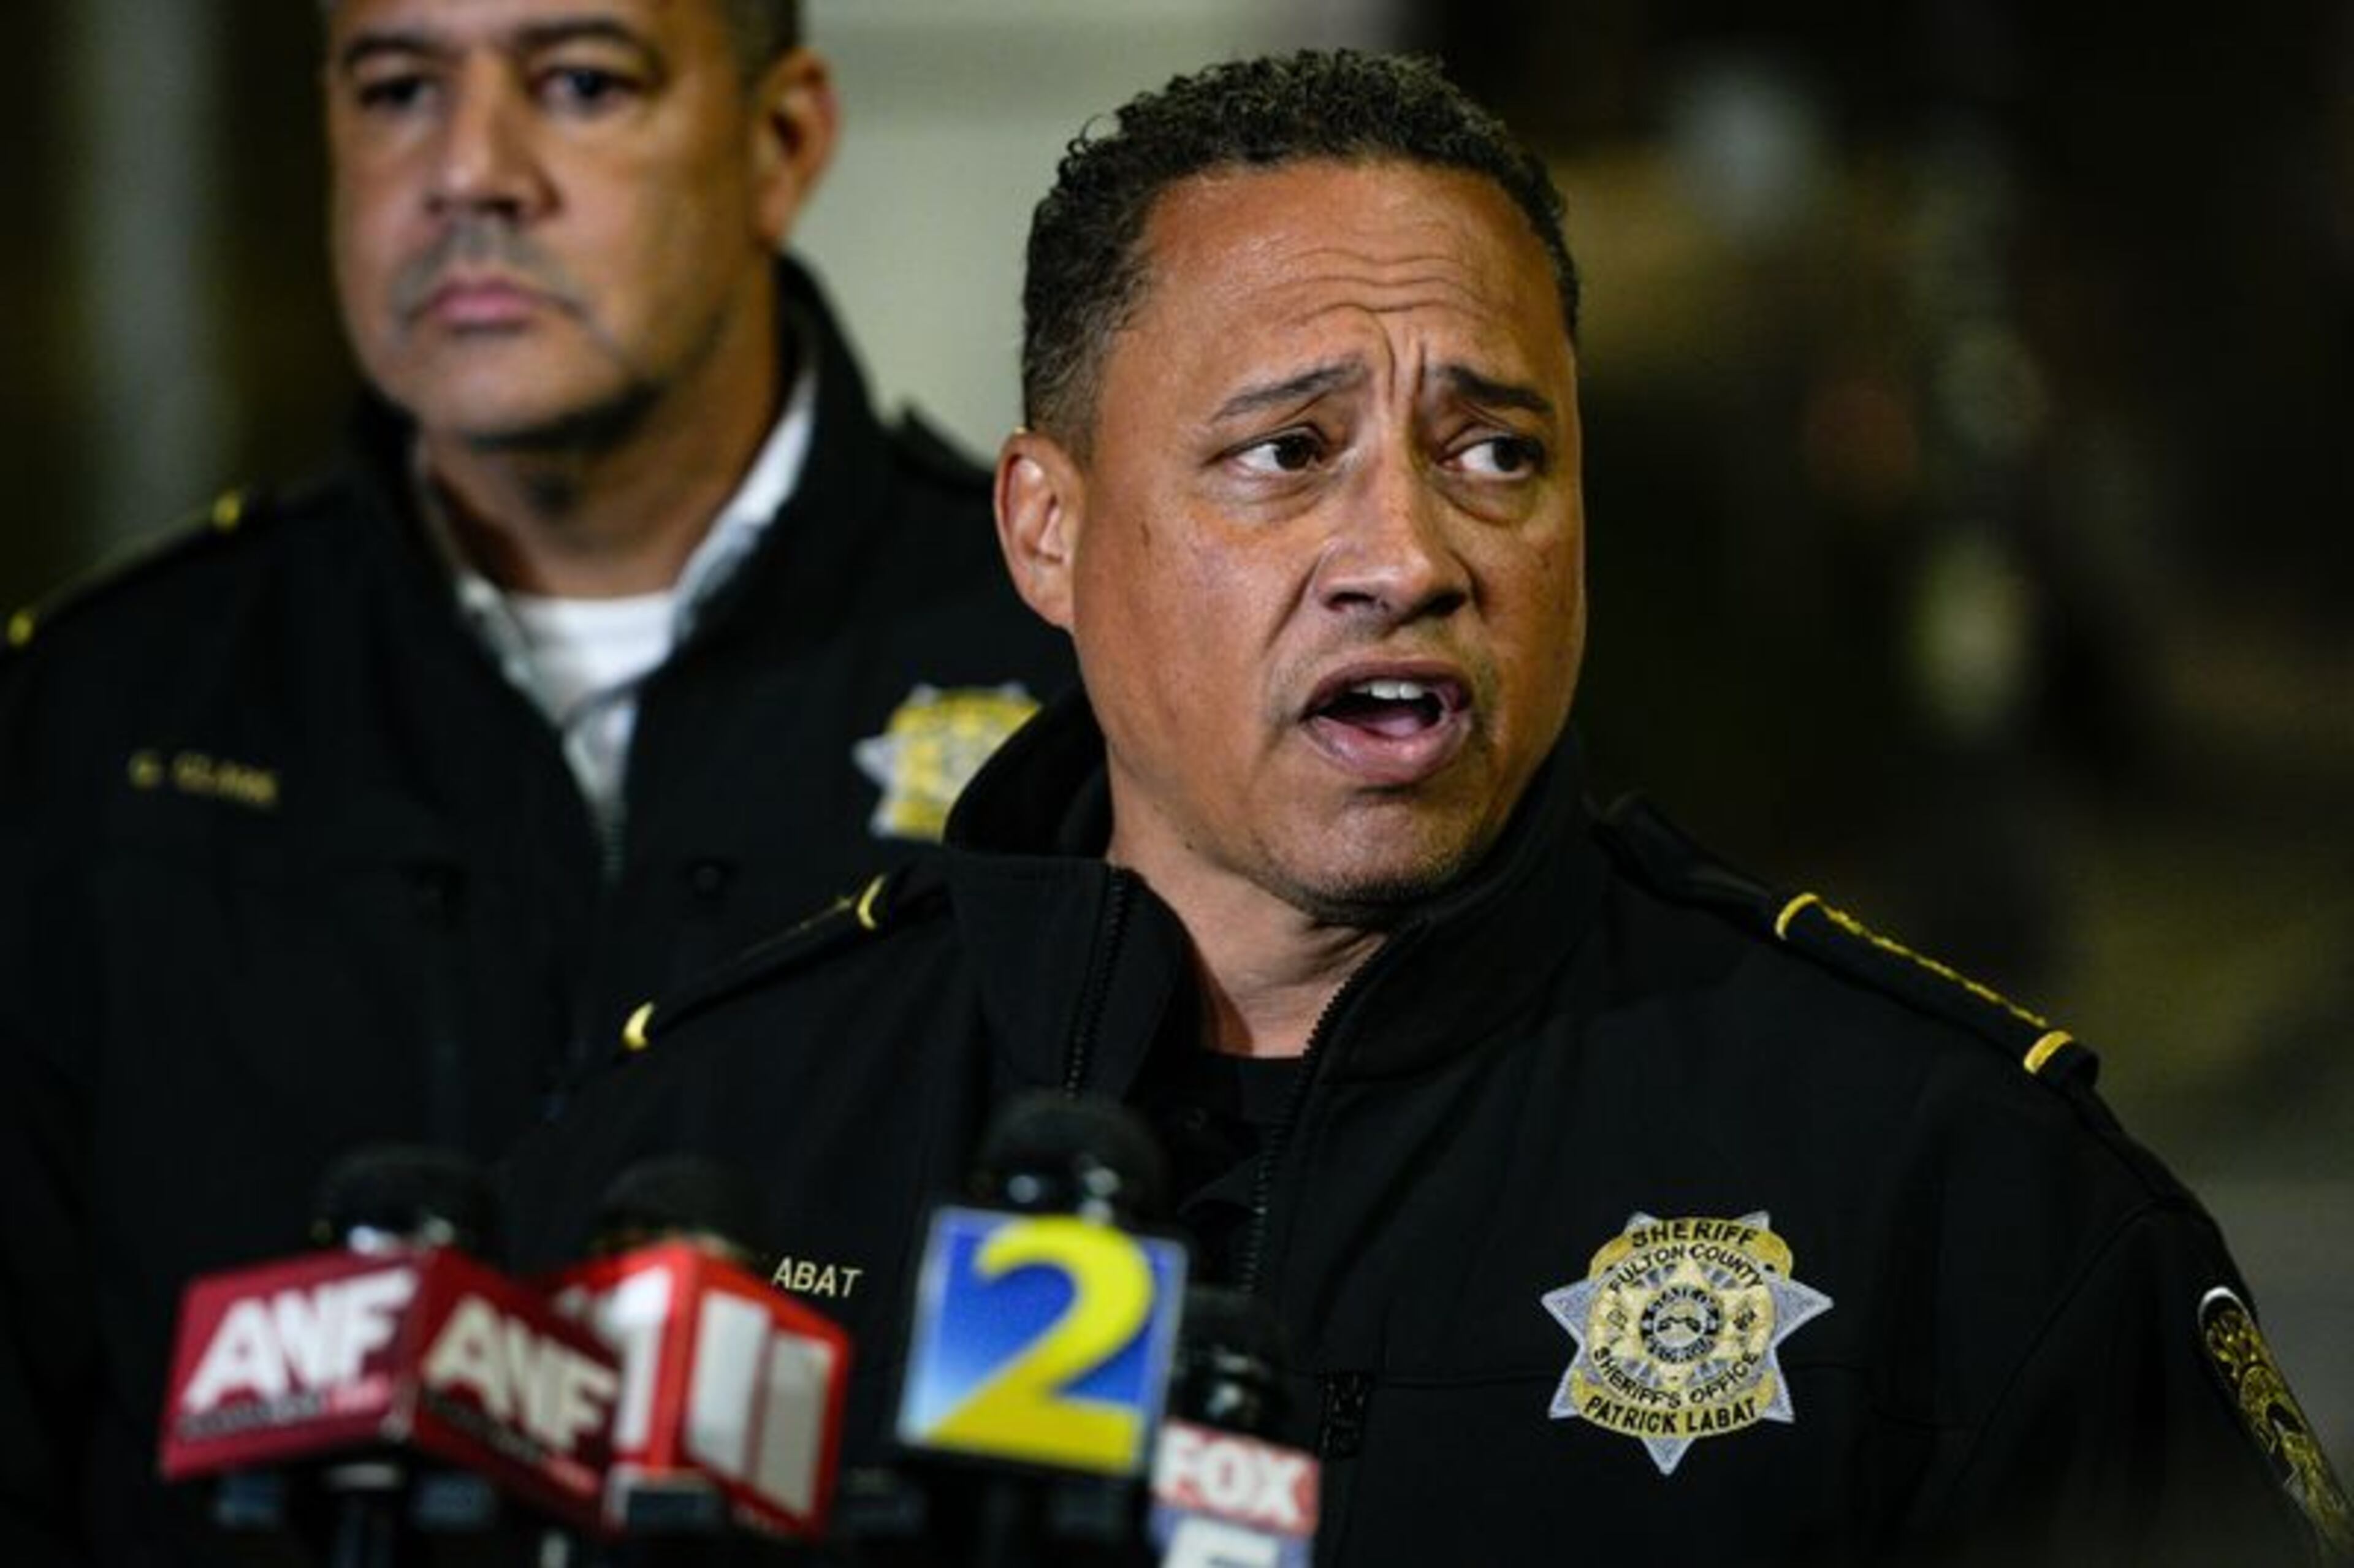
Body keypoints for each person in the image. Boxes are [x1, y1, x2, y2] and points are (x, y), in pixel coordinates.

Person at [525, 48, 2344, 1565]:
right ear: (1047, 530)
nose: (1408, 552)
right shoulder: (702, 1146)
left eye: (1498, 452)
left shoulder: (1962, 1192)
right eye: (1286, 450)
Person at [0, 0, 1072, 1559]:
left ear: (781, 144)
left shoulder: (1077, 682)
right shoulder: (94, 719)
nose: (470, 172)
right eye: (396, 89)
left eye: (579, 82)